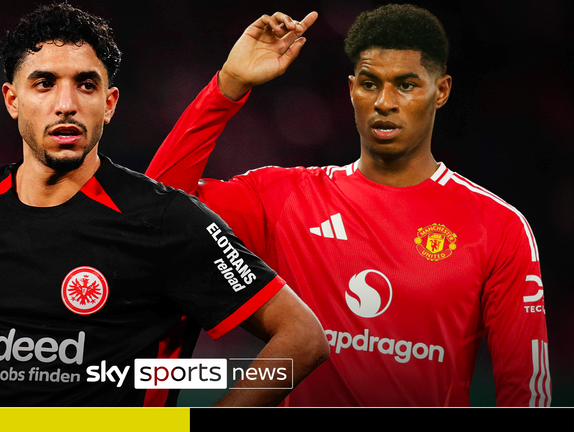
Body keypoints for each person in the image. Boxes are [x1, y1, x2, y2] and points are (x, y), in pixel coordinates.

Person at [0, 2, 329, 407]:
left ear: (108, 104)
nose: (66, 104)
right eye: (44, 83)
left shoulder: (166, 219)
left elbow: (302, 338)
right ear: (12, 100)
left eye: (86, 84)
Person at [146, 4, 551, 407]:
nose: (384, 102)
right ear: (352, 88)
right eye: (370, 84)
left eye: (406, 85)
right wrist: (228, 86)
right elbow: (153, 211)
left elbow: (526, 390)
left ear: (441, 91)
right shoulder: (285, 197)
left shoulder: (496, 226)